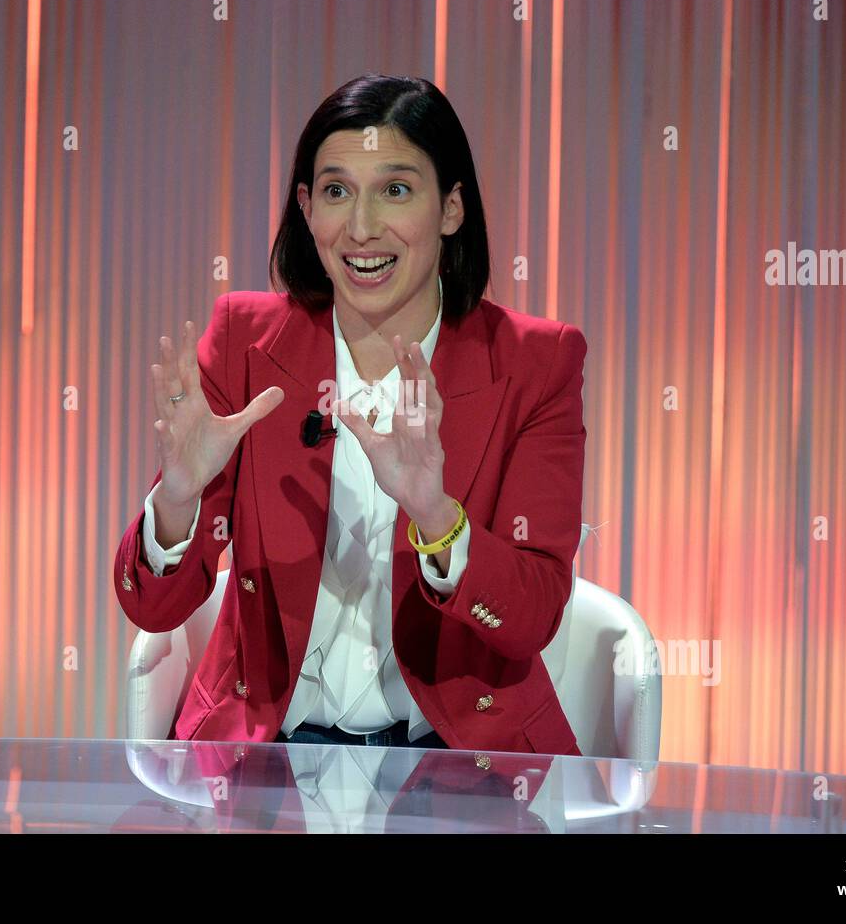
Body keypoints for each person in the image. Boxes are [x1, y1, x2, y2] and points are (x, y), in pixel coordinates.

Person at [114, 73, 587, 755]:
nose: (361, 228)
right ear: (307, 208)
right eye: (336, 191)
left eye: (396, 189)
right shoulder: (244, 340)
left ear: (452, 207)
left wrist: (438, 520)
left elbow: (533, 614)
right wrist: (179, 503)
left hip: (460, 758)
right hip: (266, 751)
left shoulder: (536, 361)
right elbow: (151, 607)